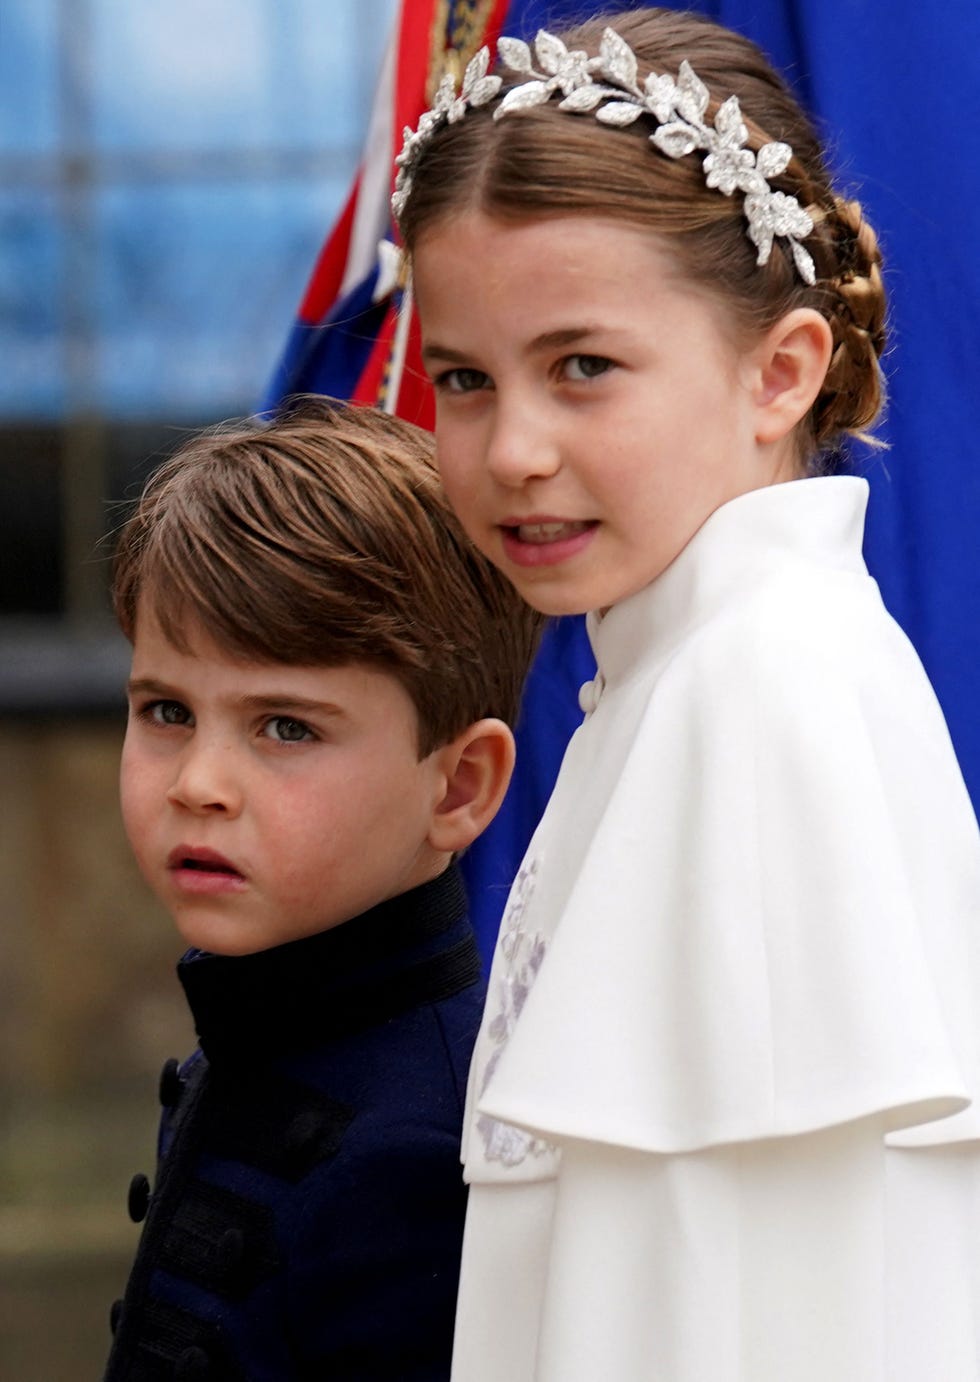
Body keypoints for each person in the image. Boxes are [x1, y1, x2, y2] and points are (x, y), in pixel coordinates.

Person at [391, 8, 980, 1380]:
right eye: (464, 381)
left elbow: (761, 1293)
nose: (513, 449)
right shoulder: (679, 671)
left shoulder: (754, 698)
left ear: (781, 372)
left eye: (582, 368)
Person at [101, 397, 542, 1382]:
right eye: (167, 709)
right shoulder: (263, 1021)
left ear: (458, 783)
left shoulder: (414, 1156)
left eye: (285, 726)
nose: (197, 782)